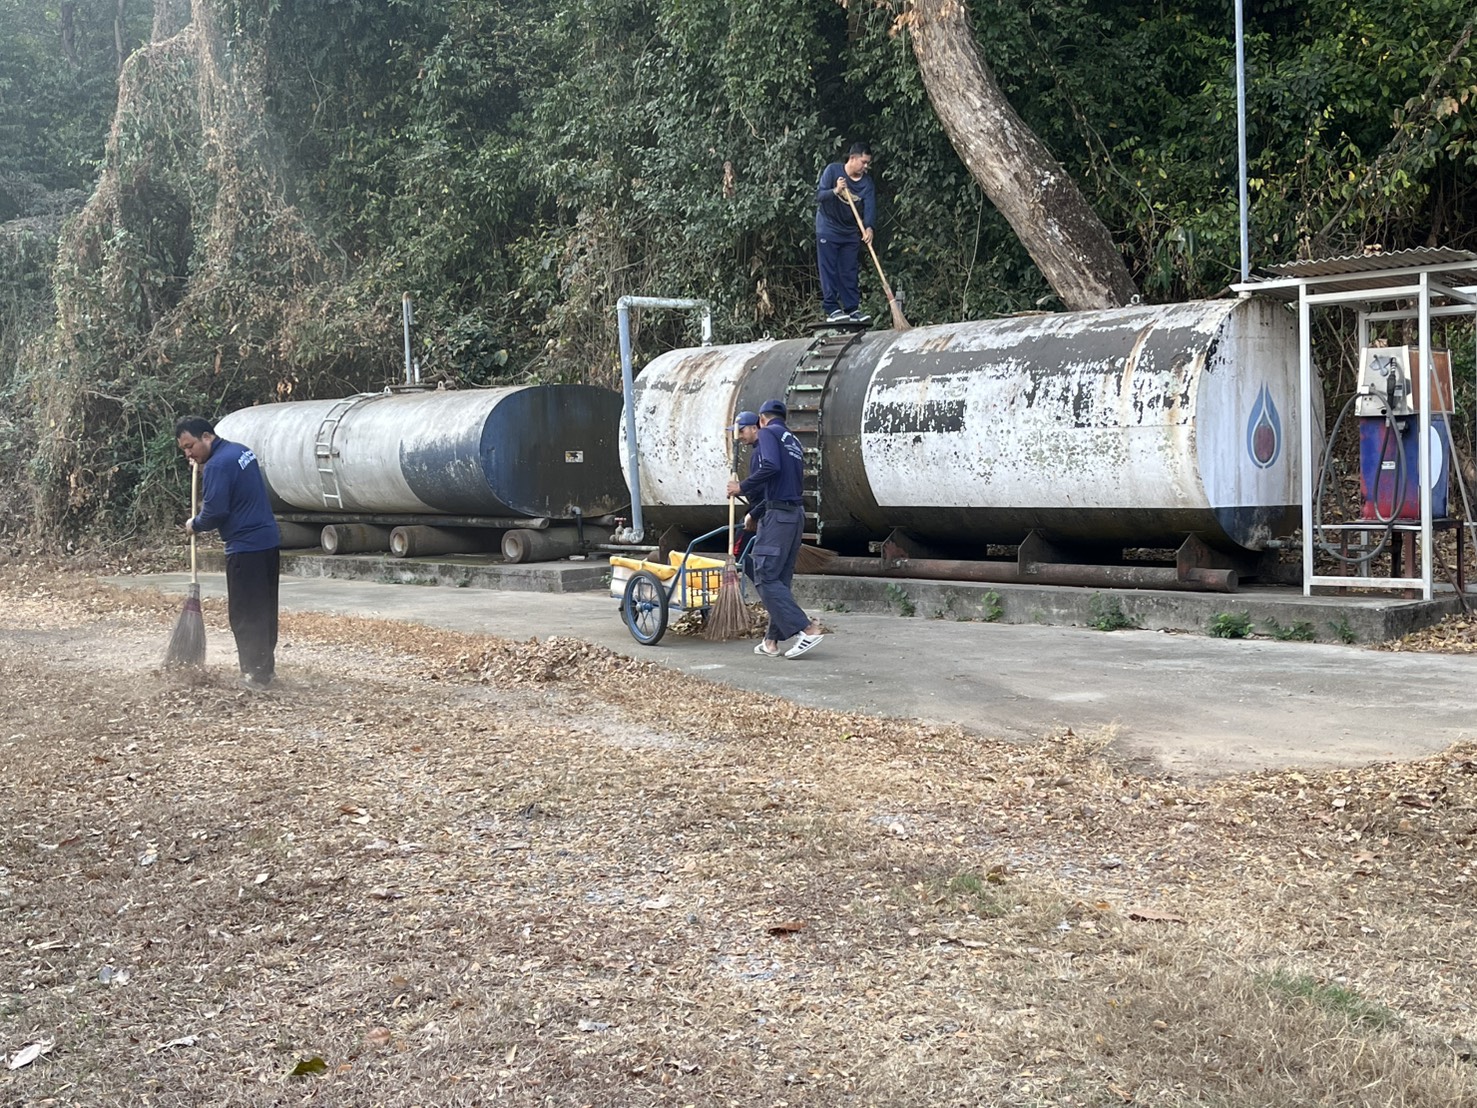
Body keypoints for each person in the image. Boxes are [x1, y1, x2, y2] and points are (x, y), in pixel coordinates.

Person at [174, 416, 282, 688]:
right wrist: (203, 465)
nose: (188, 453)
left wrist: (194, 525)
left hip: (246, 549)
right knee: (265, 610)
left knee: (245, 614)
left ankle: (255, 675)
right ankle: (265, 670)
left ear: (207, 437)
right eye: (184, 450)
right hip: (268, 542)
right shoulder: (240, 451)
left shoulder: (218, 466)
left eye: (190, 446)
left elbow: (215, 512)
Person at [726, 400, 825, 659]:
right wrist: (755, 513)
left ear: (760, 420)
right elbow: (780, 484)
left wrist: (742, 487)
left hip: (779, 518)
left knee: (765, 575)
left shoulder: (768, 433)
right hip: (793, 515)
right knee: (779, 580)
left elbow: (771, 468)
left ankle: (808, 629)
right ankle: (771, 641)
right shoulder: (791, 440)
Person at [814, 142, 875, 325]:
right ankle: (832, 308)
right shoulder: (833, 171)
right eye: (863, 162)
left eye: (867, 163)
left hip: (850, 231)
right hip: (828, 227)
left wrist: (869, 227)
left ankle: (852, 308)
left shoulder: (867, 183)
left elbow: (870, 207)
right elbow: (819, 196)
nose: (866, 167)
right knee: (829, 269)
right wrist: (836, 190)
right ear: (853, 158)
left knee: (849, 270)